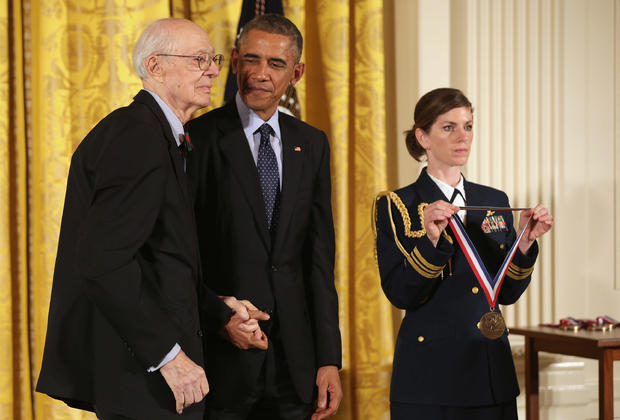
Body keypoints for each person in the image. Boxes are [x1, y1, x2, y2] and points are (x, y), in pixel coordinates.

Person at [36, 18, 267, 420]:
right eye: (199, 60)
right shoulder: (138, 136)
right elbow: (102, 263)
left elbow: (157, 262)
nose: (214, 70)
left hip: (151, 382)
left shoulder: (156, 134)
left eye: (211, 59)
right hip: (147, 382)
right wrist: (168, 357)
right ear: (156, 67)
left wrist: (219, 309)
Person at [187, 13, 343, 420]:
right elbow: (183, 255)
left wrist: (329, 358)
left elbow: (318, 258)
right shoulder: (196, 139)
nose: (260, 74)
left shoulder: (311, 144)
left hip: (295, 364)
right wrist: (219, 318)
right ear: (234, 61)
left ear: (297, 72)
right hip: (222, 358)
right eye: (250, 60)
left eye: (275, 64)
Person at [374, 88, 553, 419]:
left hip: (489, 370)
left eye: (468, 126)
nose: (463, 137)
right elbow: (400, 293)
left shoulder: (494, 200)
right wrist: (430, 241)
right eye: (448, 127)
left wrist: (526, 241)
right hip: (429, 377)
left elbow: (508, 291)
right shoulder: (398, 205)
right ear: (422, 137)